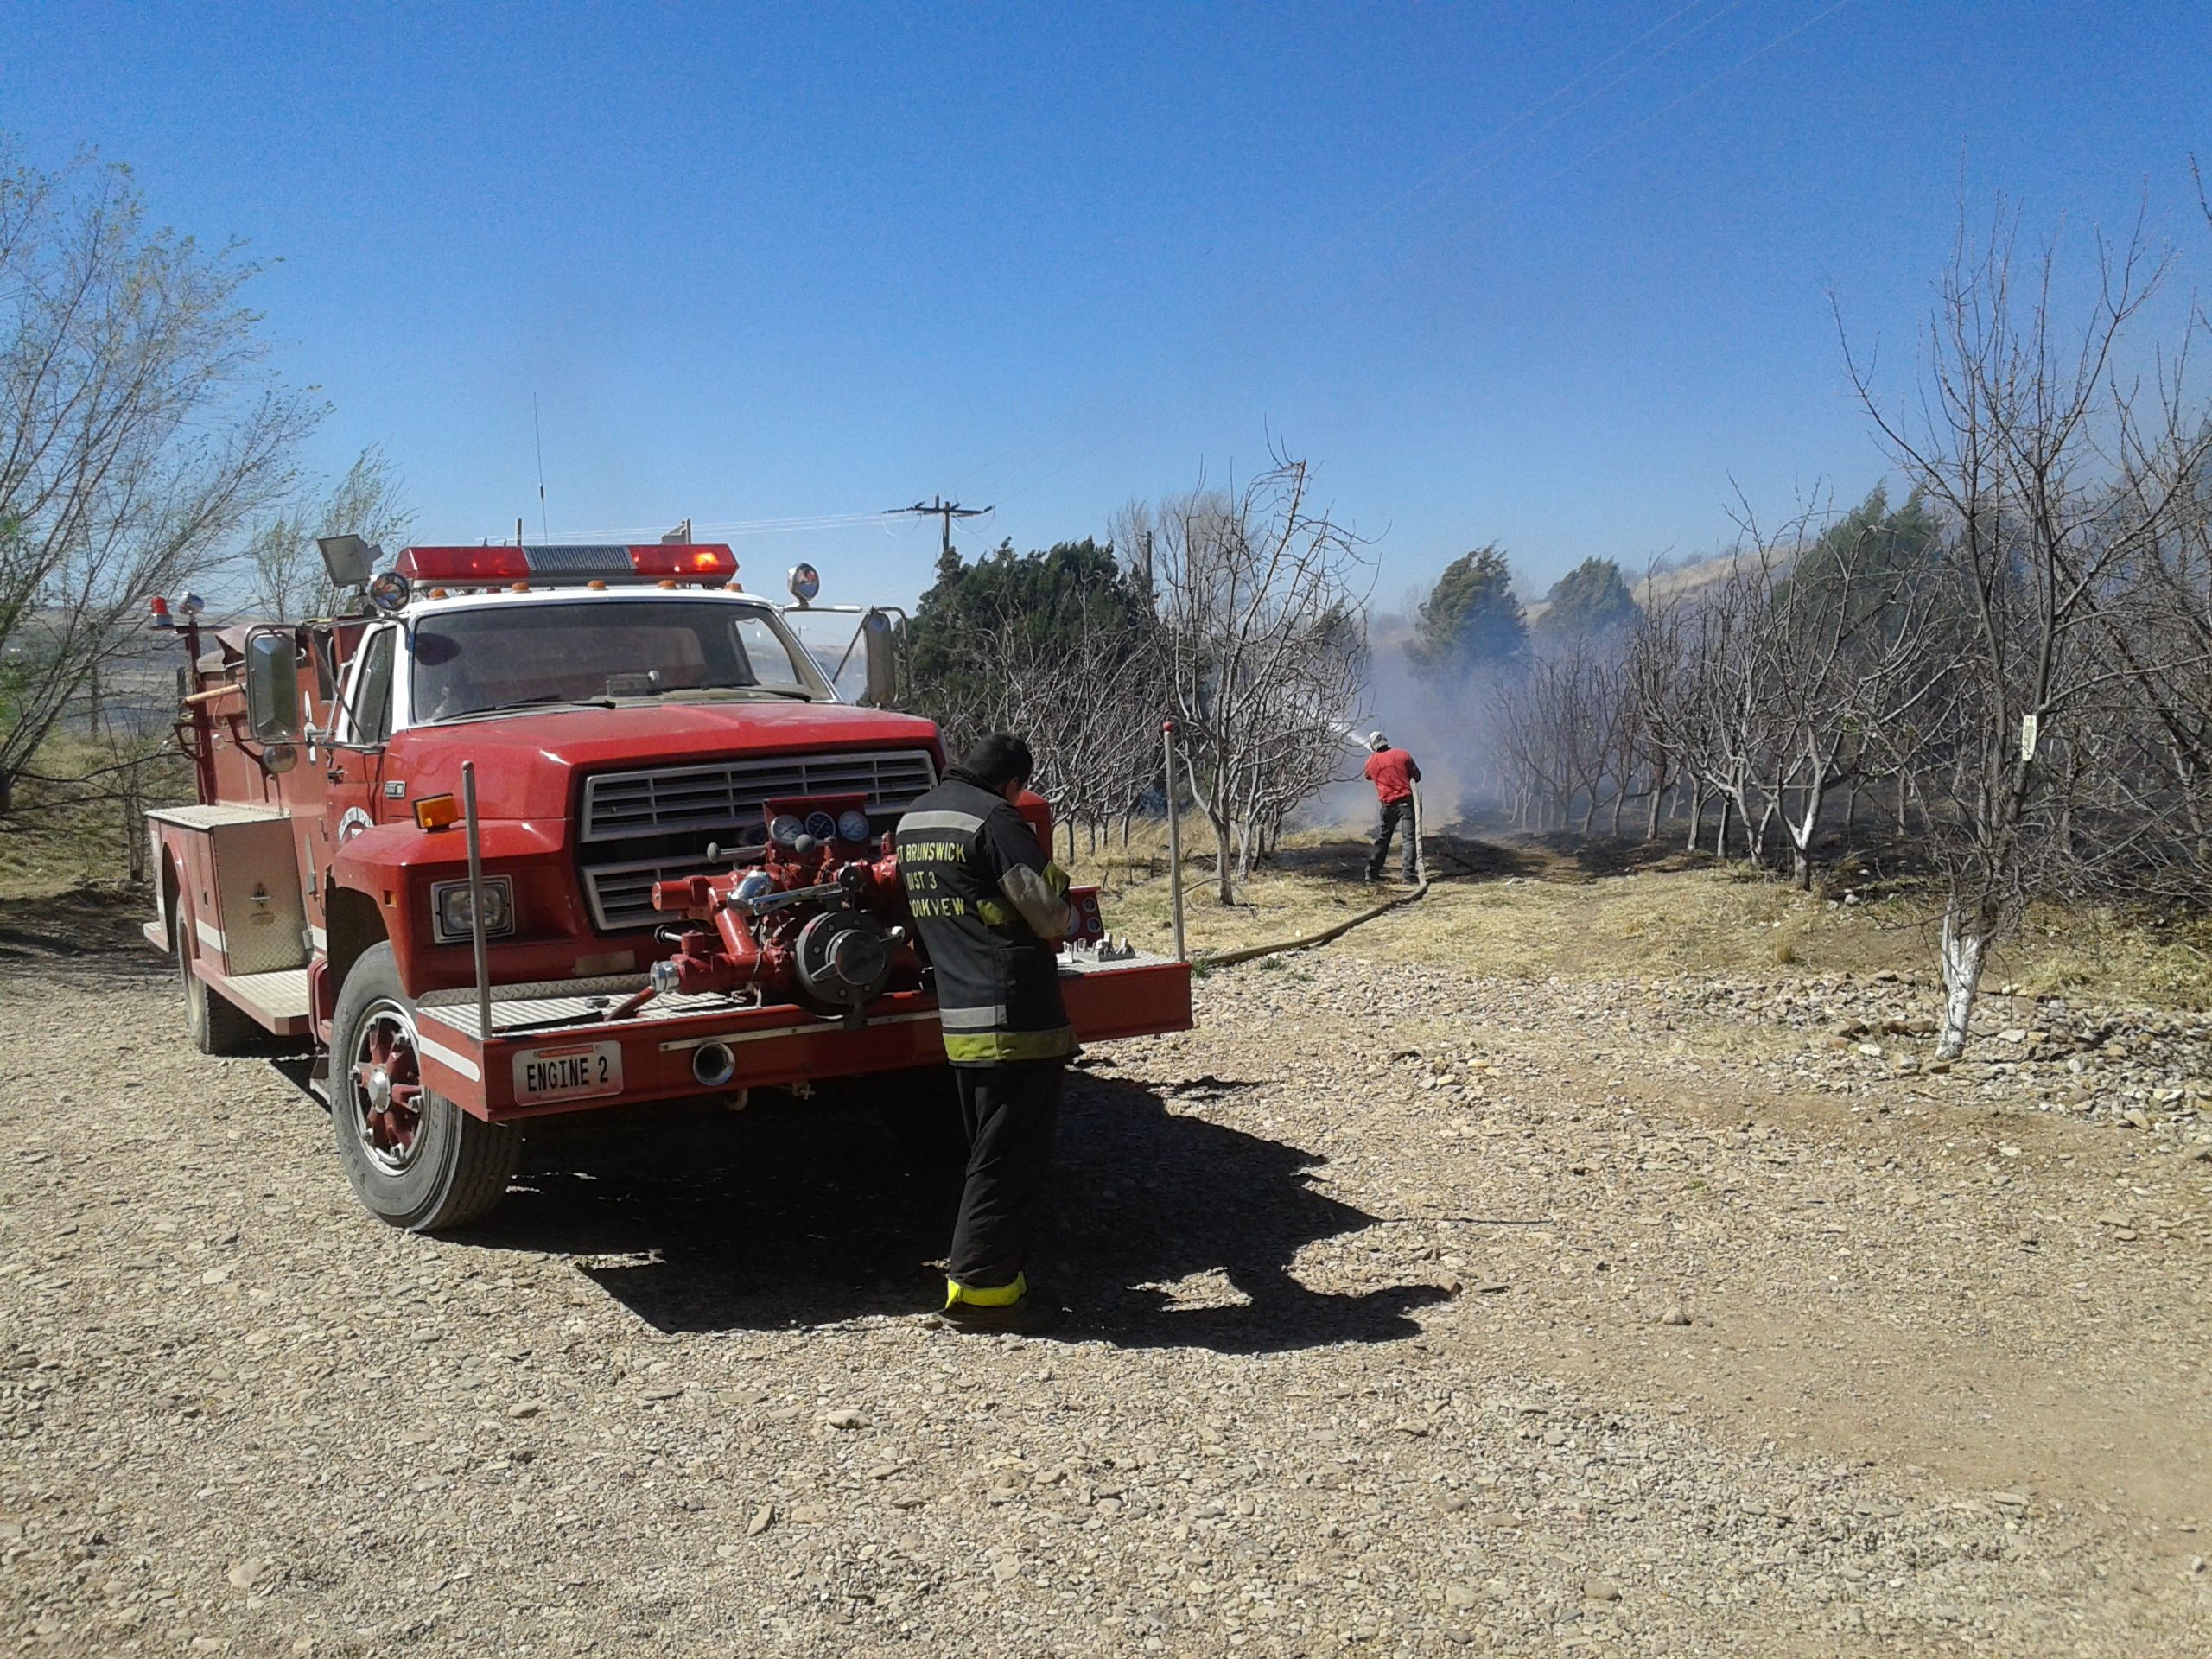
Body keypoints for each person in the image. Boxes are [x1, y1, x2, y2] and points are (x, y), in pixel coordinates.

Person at [895, 732, 1076, 1333]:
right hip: (1016, 1018)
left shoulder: (914, 821)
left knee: (986, 1153)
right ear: (1011, 783)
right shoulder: (994, 819)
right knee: (1008, 1161)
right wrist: (1072, 909)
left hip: (961, 1018)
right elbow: (1047, 911)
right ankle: (983, 1293)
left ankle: (997, 1277)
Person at [1363, 730, 1422, 883]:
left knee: (1384, 838)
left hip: (1387, 806)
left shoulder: (1371, 761)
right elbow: (1417, 776)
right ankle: (1408, 874)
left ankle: (1371, 872)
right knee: (1409, 838)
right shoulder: (1403, 755)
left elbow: (1368, 776)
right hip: (1406, 804)